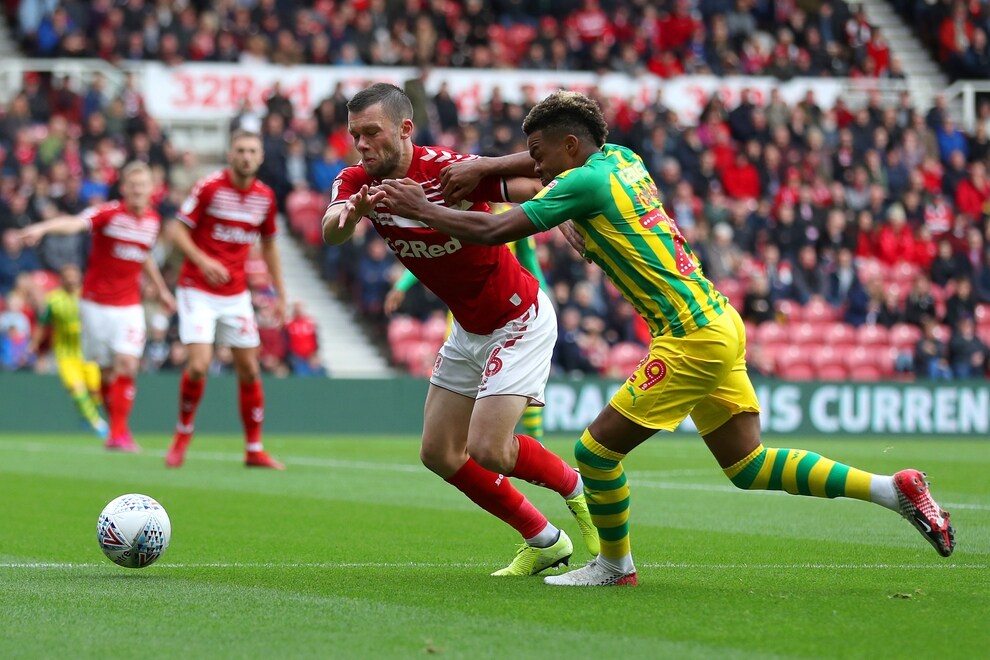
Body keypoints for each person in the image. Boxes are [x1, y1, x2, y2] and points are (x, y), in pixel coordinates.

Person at [380, 90, 956, 587]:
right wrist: (486, 167)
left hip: (689, 338)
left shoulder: (581, 182)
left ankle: (614, 566)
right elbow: (542, 175)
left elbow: (493, 227)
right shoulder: (622, 159)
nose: (533, 163)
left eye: (539, 152)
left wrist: (420, 205)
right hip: (719, 321)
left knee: (594, 453)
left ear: (570, 148)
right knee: (748, 465)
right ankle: (892, 489)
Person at [322, 83, 599, 576]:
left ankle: (575, 486)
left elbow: (528, 181)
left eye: (371, 133)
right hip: (469, 329)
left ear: (405, 129)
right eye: (354, 135)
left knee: (489, 449)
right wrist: (352, 214)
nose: (362, 145)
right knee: (438, 452)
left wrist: (561, 213)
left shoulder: (446, 171)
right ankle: (543, 539)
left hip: (518, 317)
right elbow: (332, 229)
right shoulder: (355, 182)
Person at [17, 161, 175, 452]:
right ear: (124, 188)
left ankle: (118, 433)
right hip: (96, 304)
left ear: (152, 189)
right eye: (133, 185)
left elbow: (145, 256)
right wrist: (44, 227)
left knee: (127, 363)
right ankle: (116, 430)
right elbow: (76, 222)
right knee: (104, 371)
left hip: (129, 305)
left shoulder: (153, 221)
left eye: (144, 185)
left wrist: (162, 290)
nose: (139, 190)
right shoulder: (109, 213)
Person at [164, 130, 286, 470]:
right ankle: (182, 434)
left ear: (260, 157)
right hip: (196, 288)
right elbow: (177, 230)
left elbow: (270, 245)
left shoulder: (265, 197)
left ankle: (254, 448)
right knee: (200, 364)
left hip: (235, 294)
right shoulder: (209, 187)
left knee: (249, 369)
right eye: (240, 150)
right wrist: (203, 261)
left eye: (252, 151)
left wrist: (279, 294)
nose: (246, 156)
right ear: (230, 155)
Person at [384, 233, 549, 443]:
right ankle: (465, 444)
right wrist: (401, 286)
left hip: (507, 316)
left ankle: (536, 444)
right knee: (468, 386)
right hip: (464, 318)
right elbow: (431, 254)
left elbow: (531, 263)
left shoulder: (515, 220)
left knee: (522, 383)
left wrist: (545, 301)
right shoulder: (465, 215)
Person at [27, 263, 108, 438]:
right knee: (77, 390)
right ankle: (98, 424)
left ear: (80, 276)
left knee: (96, 391)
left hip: (88, 352)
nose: (71, 279)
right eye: (67, 275)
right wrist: (33, 344)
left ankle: (86, 415)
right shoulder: (53, 300)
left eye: (74, 275)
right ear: (62, 279)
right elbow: (43, 323)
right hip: (66, 354)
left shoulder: (88, 294)